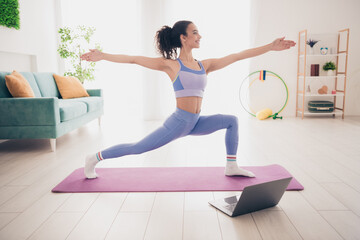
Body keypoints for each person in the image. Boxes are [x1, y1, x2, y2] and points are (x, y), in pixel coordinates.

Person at [81, 20, 296, 179]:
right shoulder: (171, 65)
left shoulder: (205, 65)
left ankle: (231, 166)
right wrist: (103, 55)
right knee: (138, 147)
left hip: (195, 122)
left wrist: (270, 46)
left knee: (232, 120)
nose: (199, 36)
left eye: (199, 32)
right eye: (194, 33)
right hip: (178, 123)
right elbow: (134, 60)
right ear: (183, 38)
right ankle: (94, 157)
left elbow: (237, 56)